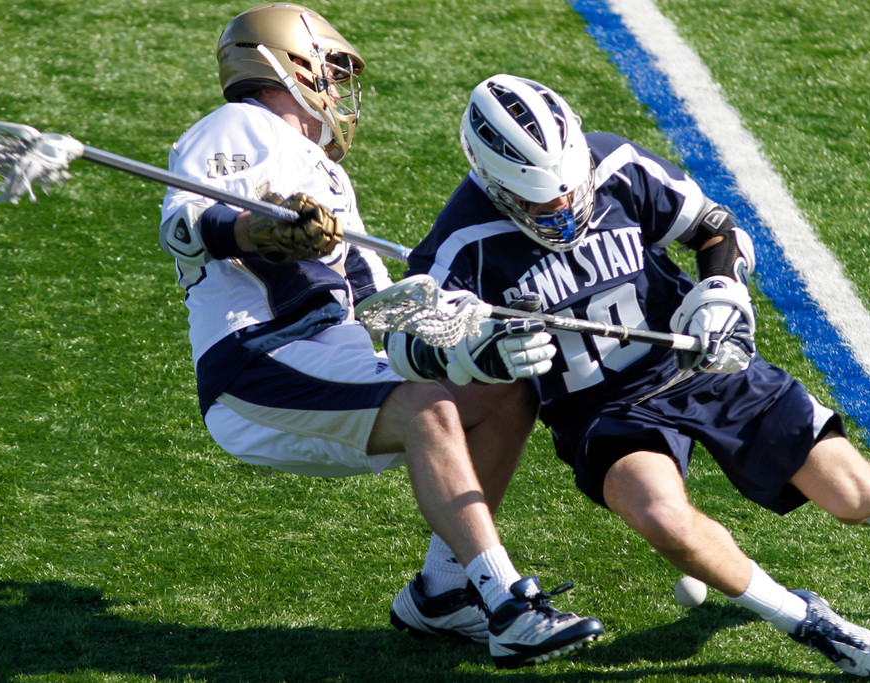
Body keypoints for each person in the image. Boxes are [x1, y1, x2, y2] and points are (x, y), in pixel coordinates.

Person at [401, 73, 870, 681]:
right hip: (601, 410)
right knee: (660, 515)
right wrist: (478, 351)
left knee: (857, 499)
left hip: (698, 363)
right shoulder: (461, 239)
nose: (561, 208)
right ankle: (806, 620)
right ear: (493, 181)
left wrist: (720, 289)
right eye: (538, 202)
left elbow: (718, 228)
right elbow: (405, 346)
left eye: (568, 191)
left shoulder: (615, 164)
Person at [157, 7, 603, 669]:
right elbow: (189, 222)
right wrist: (264, 233)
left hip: (336, 355)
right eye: (330, 73)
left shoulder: (328, 175)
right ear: (284, 62)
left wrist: (467, 330)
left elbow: (375, 305)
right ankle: (508, 605)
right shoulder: (237, 125)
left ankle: (442, 593)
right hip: (256, 362)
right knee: (428, 407)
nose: (338, 91)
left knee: (505, 390)